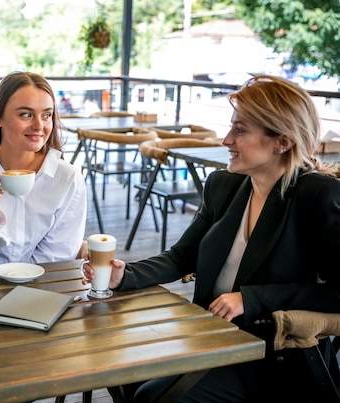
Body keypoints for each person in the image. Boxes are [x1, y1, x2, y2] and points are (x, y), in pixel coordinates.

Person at [81, 75, 340, 402]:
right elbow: (181, 257)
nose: (226, 140)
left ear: (283, 141)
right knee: (122, 372)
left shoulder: (317, 197)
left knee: (152, 395)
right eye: (231, 127)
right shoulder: (225, 186)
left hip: (270, 359)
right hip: (208, 337)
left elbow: (336, 293)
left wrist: (251, 299)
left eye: (241, 130)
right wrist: (125, 275)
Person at [0, 71, 87, 268]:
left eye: (46, 115)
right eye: (26, 115)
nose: (39, 125)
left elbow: (57, 258)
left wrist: (21, 286)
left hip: (43, 285)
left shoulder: (67, 178)